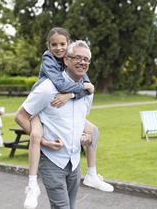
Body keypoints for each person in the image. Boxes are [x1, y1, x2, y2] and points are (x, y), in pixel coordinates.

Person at [17, 27, 113, 209]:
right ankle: (31, 186)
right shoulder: (47, 87)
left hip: (74, 161)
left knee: (70, 206)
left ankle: (92, 174)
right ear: (66, 59)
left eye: (86, 59)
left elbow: (78, 120)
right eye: (77, 58)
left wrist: (84, 136)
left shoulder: (87, 90)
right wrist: (43, 141)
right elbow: (20, 116)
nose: (82, 62)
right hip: (52, 161)